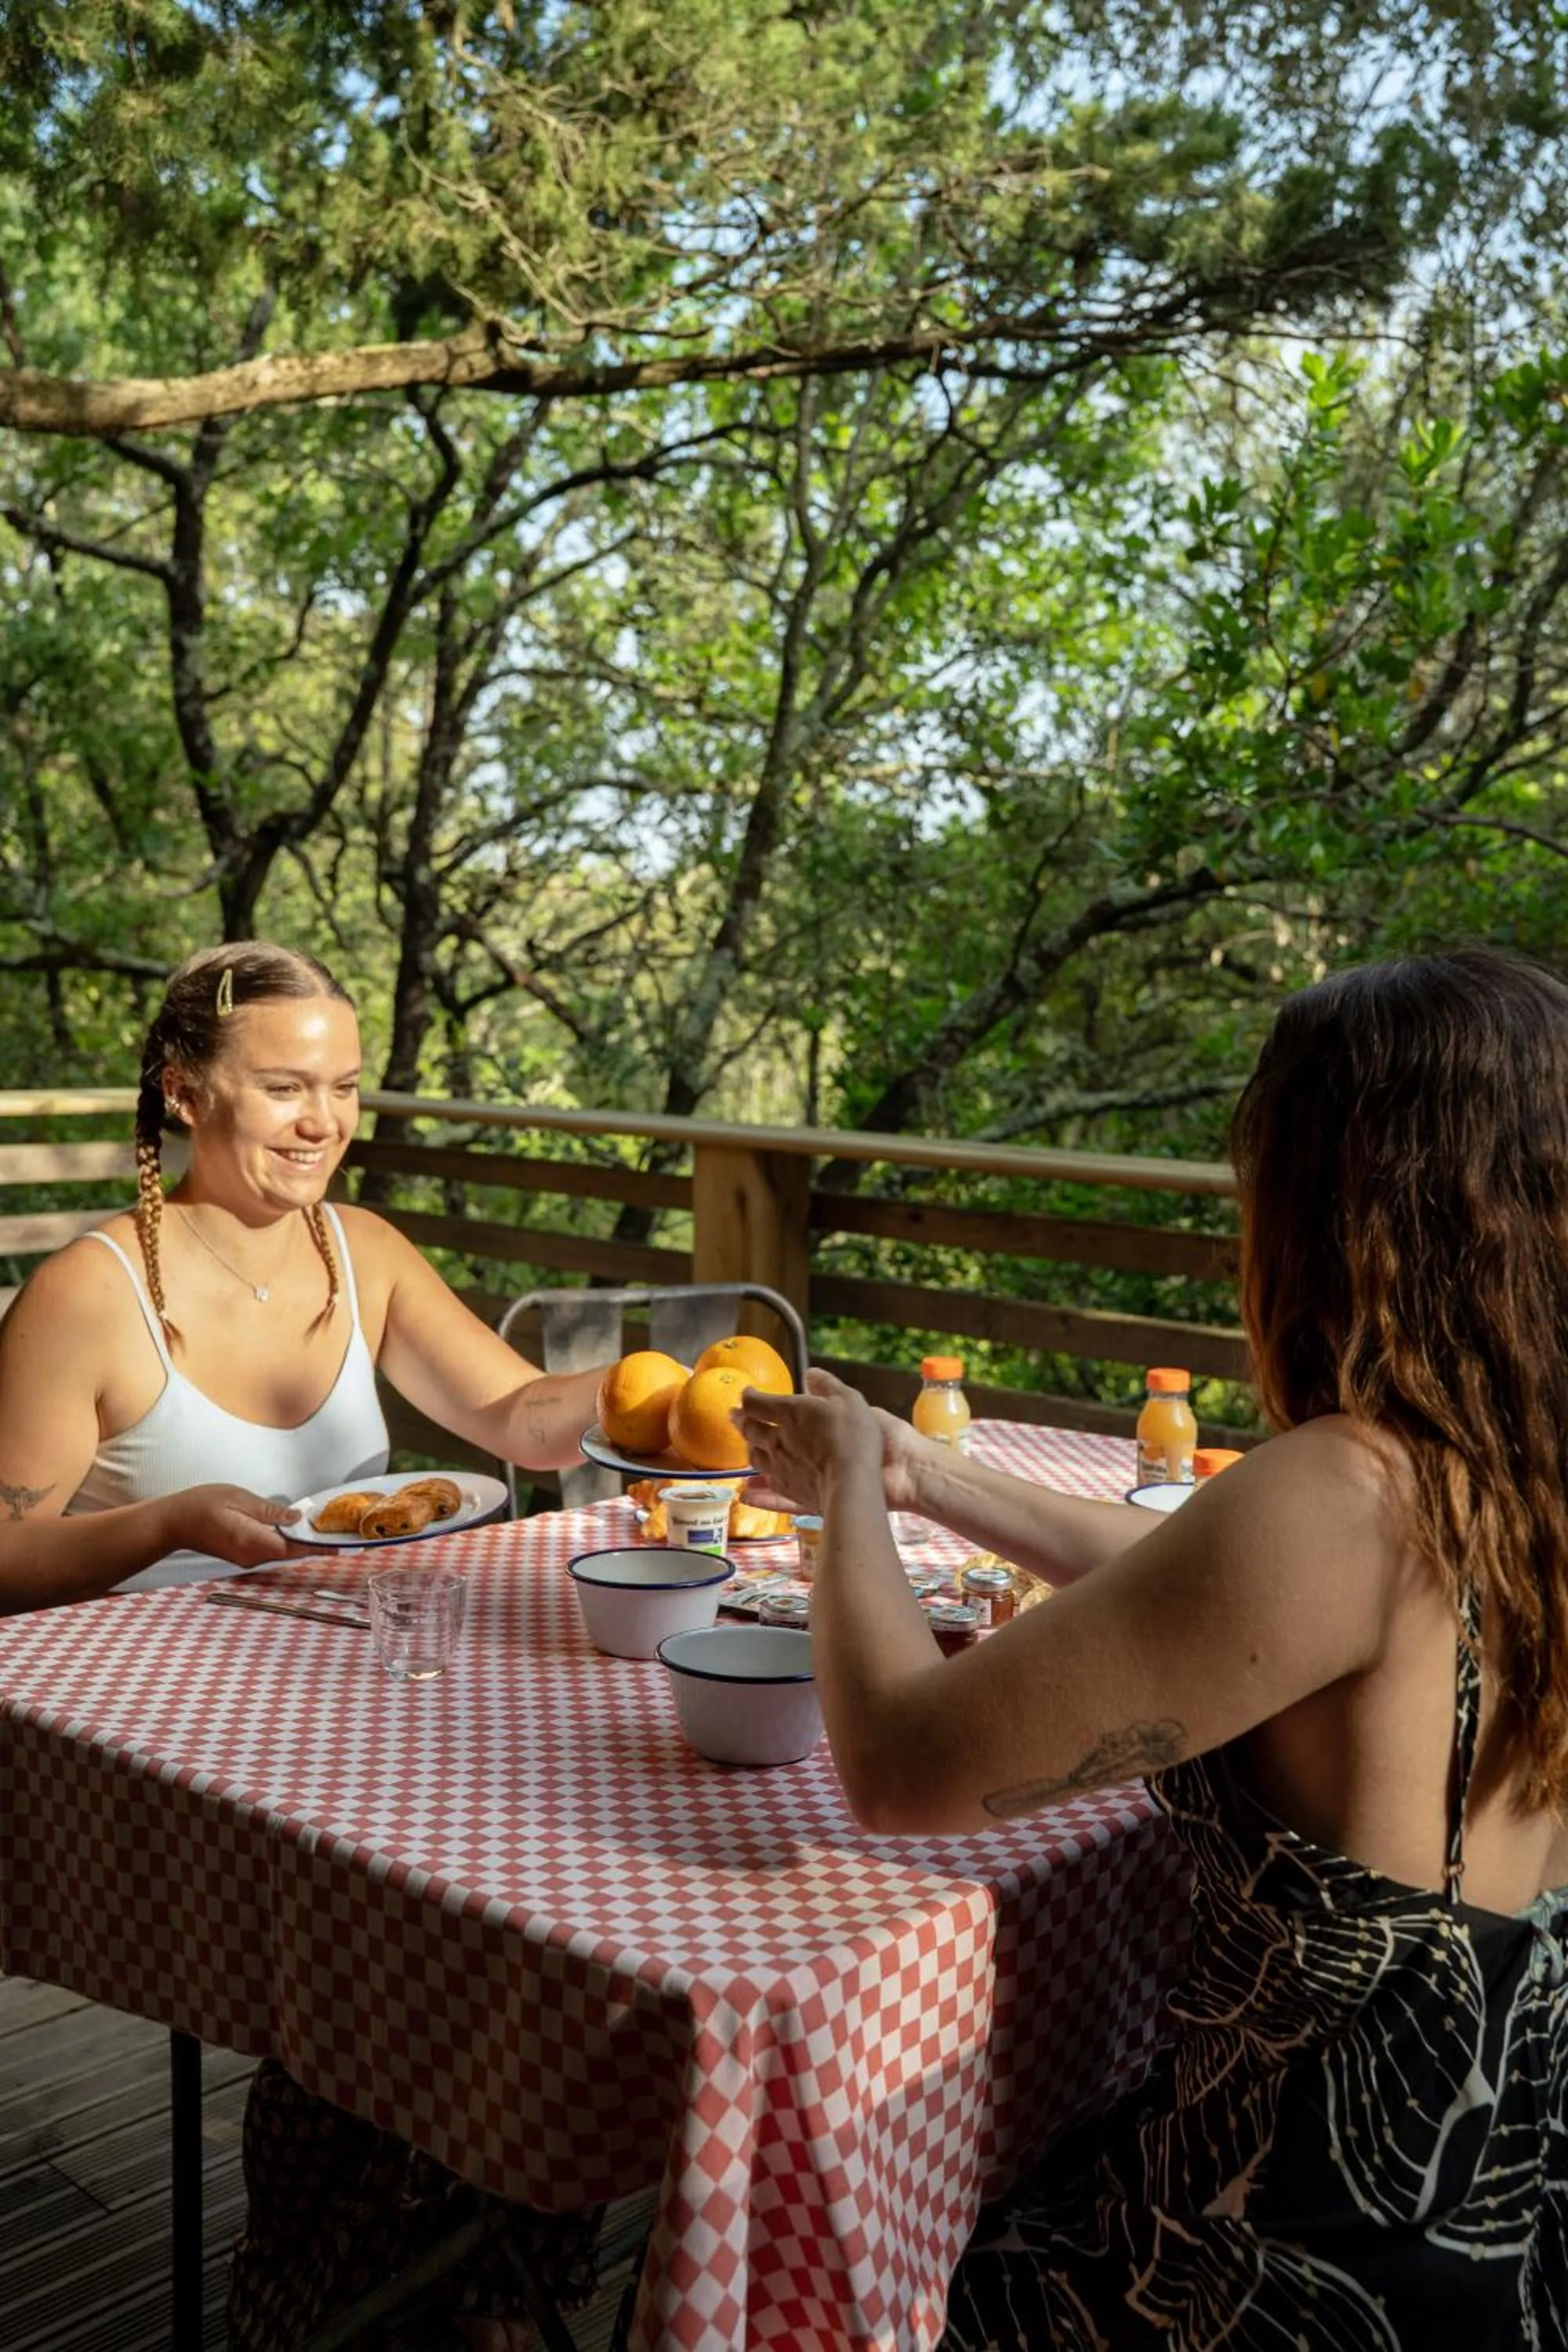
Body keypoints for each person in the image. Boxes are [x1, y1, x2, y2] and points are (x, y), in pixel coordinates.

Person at [735, 948, 1568, 2352]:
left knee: (883, 2231)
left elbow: (895, 1767)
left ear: (1338, 1205)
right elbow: (1213, 1604)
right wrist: (932, 1480)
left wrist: (848, 1506)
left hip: (1281, 2274)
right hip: (1498, 2233)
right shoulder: (1505, 1468)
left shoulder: (1349, 1491)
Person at [0, 941, 610, 2350]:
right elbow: (9, 1552)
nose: (323, 1119)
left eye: (342, 1087)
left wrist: (667, 1391)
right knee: (448, 1955)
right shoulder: (87, 1295)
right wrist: (172, 1525)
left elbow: (517, 1419)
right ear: (183, 1095)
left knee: (548, 1892)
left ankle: (474, 2270)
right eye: (284, 1086)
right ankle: (380, 2277)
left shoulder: (367, 1250)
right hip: (175, 1754)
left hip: (365, 1710)